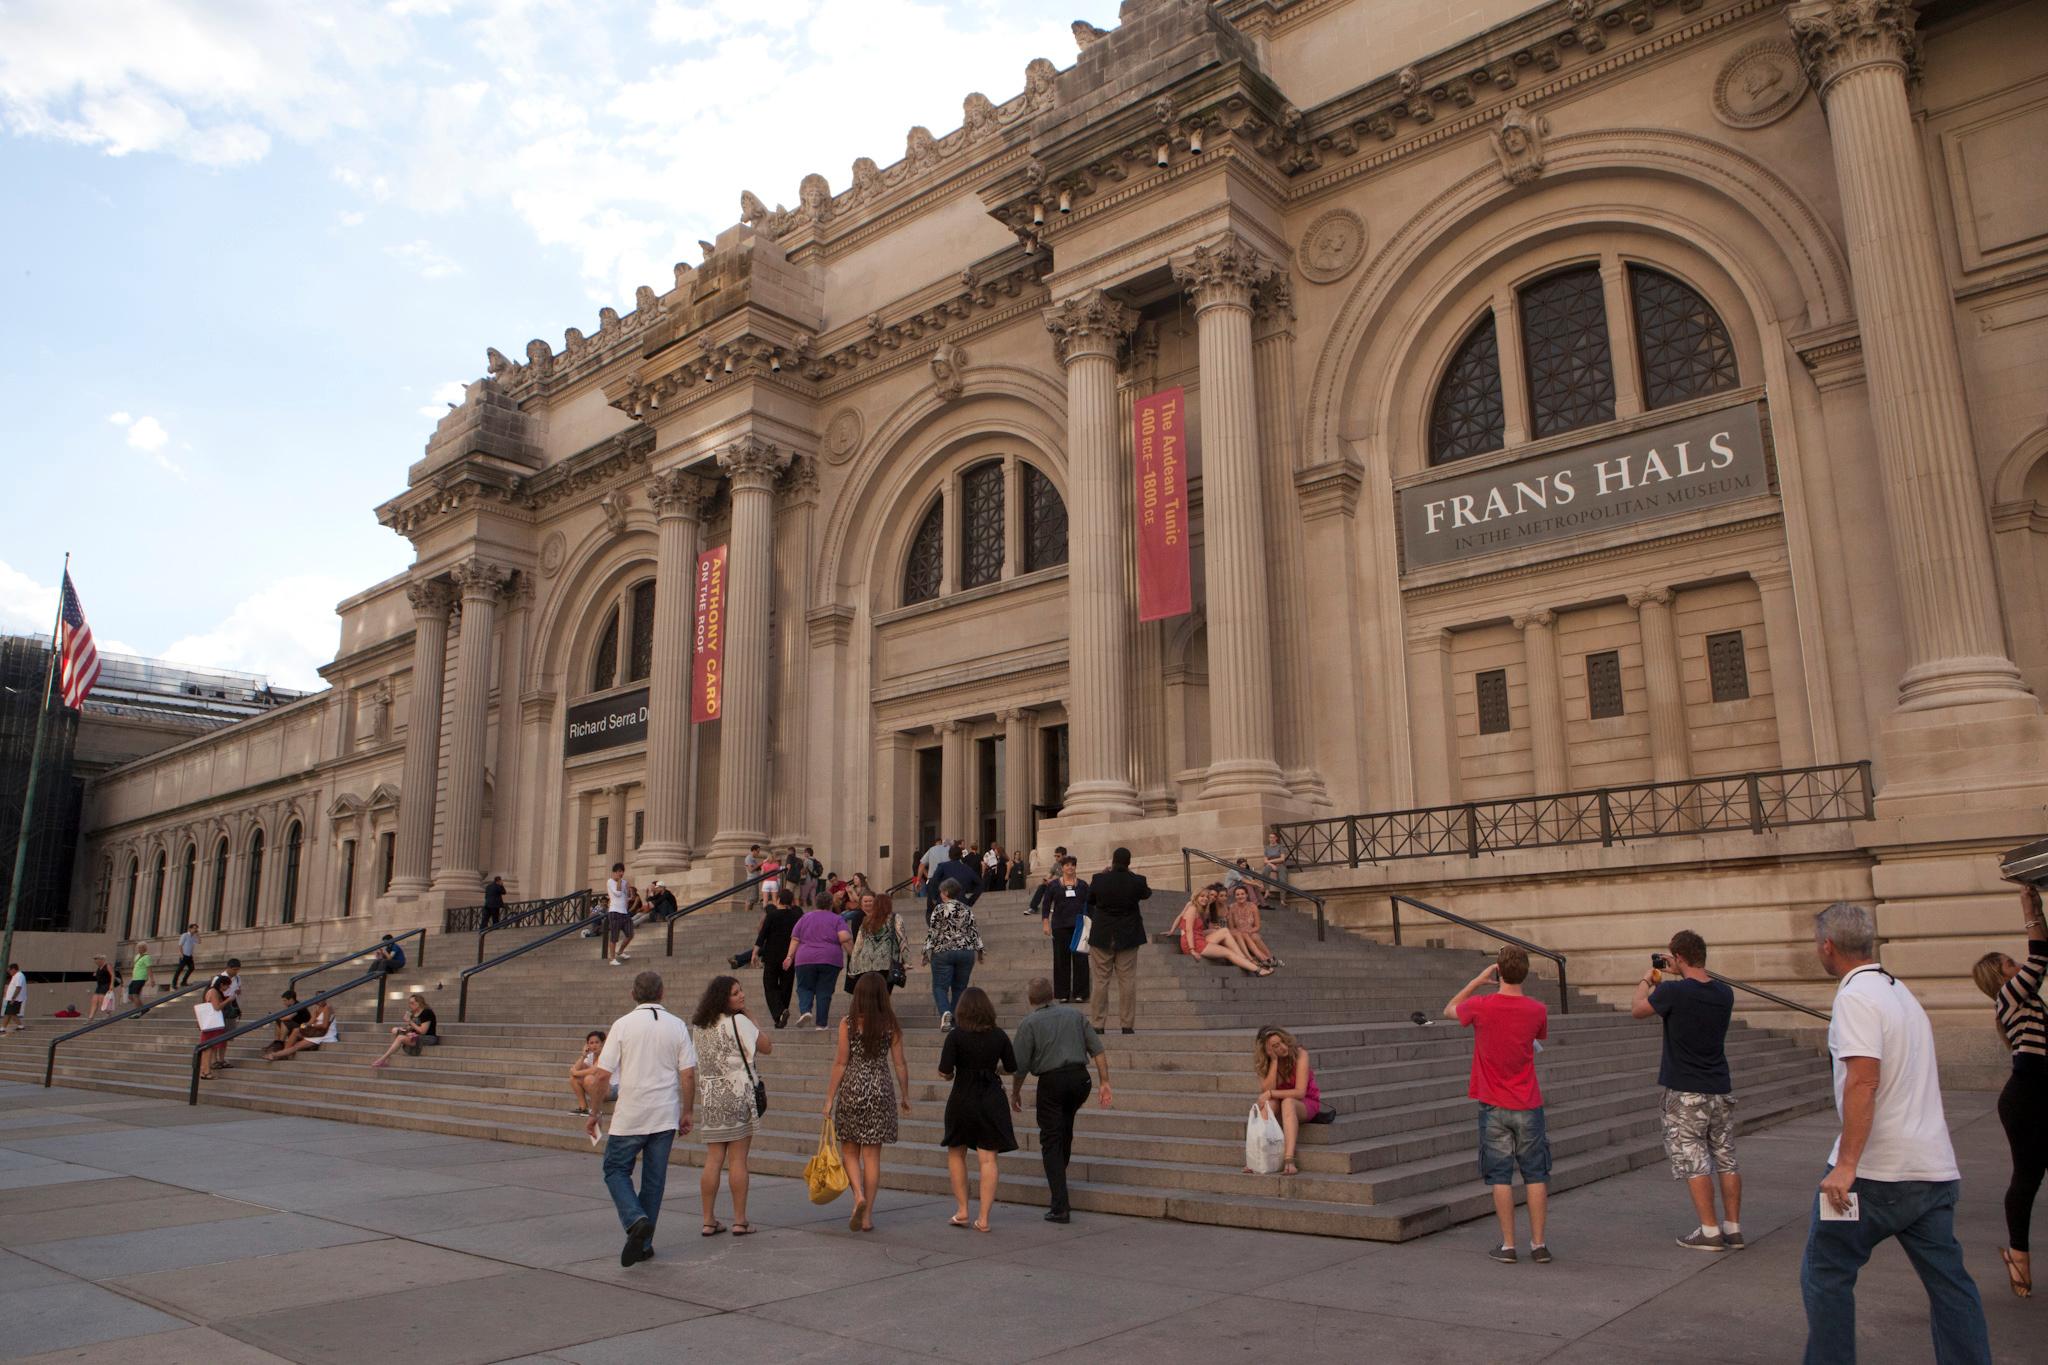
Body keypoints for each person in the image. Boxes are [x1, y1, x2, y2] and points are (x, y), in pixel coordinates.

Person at [1801, 902, 1991, 1362]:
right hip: (1933, 1169)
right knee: (1950, 1285)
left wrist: (1846, 1166)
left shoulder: (1855, 998)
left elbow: (1864, 1079)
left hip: (1875, 1174)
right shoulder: (1899, 992)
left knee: (1825, 1273)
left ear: (1828, 946)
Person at [1630, 930, 1742, 1252]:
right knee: (1726, 1158)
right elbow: (1697, 990)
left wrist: (1648, 980)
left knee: (1694, 1160)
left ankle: (1709, 1230)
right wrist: (1677, 971)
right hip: (1719, 1087)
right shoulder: (1725, 993)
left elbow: (1638, 1009)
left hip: (1685, 1091)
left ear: (1678, 958)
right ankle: (1733, 1228)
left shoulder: (1674, 994)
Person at [1446, 945, 1552, 1265]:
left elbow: (1450, 1009)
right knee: (1535, 1174)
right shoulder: (1537, 1010)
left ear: (1499, 972)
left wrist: (1477, 982)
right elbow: (1538, 1039)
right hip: (1528, 1101)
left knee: (1501, 1177)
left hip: (1492, 1103)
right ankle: (1538, 1244)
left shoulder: (1481, 1006)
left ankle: (1508, 1245)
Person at [587, 971, 697, 1267]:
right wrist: (687, 1110)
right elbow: (688, 1073)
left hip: (632, 1112)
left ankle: (635, 1219)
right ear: (662, 993)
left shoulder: (622, 1025)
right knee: (654, 1180)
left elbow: (601, 1075)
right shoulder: (676, 1025)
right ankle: (644, 1242)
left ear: (633, 994)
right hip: (664, 1113)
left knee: (614, 1169)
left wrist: (594, 1112)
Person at [1973, 881, 2047, 1298]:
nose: (2018, 967)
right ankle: (2018, 1256)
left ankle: (2019, 1258)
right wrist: (2027, 906)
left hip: (2038, 1094)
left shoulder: (2027, 1000)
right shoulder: (2009, 996)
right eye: (2010, 963)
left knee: (2030, 1177)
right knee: (2027, 1178)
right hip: (2027, 1099)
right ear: (2000, 975)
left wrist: (2037, 906)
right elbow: (2041, 958)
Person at [1009, 977, 1111, 1223]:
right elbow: (1097, 1049)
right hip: (1079, 1080)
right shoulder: (1075, 1016)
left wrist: (1015, 1092)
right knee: (1064, 1128)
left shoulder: (1029, 1023)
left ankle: (1060, 1205)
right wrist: (1105, 1081)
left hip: (1052, 1082)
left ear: (1031, 999)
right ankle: (1059, 1176)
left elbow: (1020, 1066)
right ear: (1053, 994)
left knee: (1050, 1139)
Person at [826, 973, 912, 1233]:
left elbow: (841, 1062)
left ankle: (858, 1196)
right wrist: (905, 1095)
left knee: (850, 1151)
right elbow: (900, 1063)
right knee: (872, 1156)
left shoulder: (848, 1024)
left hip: (853, 1086)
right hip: (881, 1088)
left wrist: (829, 1098)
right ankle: (867, 1217)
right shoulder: (890, 1024)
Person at [688, 974, 770, 1238]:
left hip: (711, 1095)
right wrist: (751, 1019)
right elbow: (767, 1046)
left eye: (741, 991)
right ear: (724, 998)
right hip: (738, 1094)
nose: (742, 995)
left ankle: (708, 1220)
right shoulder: (739, 1021)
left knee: (713, 1159)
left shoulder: (700, 1026)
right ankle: (739, 1220)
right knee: (738, 1160)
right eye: (736, 993)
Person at [939, 986, 1016, 1231]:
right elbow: (1012, 1066)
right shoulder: (999, 1035)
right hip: (991, 1096)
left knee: (956, 1152)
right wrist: (994, 1070)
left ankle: (962, 1210)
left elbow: (944, 1071)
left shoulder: (955, 1036)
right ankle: (983, 1218)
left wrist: (952, 1073)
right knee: (987, 1158)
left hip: (962, 1096)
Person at [1087, 847, 1151, 1035]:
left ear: (1112, 861)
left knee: (1100, 981)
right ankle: (1127, 1024)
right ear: (1129, 862)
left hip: (1102, 935)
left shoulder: (1099, 879)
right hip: (1128, 935)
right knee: (1127, 981)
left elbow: (1090, 899)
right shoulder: (1137, 881)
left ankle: (1098, 1024)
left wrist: (1104, 874)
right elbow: (1146, 893)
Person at [1250, 1025, 1319, 1177]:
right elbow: (1266, 1090)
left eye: (1281, 1042)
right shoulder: (1264, 1063)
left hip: (1306, 1103)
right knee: (1269, 1104)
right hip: (1282, 1105)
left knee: (1287, 1101)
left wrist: (1270, 1093)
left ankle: (1289, 1160)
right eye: (1275, 1046)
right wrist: (1274, 1061)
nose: (1282, 1047)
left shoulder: (1300, 1054)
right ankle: (1257, 1158)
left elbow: (1300, 1092)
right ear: (1267, 1051)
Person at [923, 878, 985, 1031]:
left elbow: (933, 932)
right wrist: (980, 950)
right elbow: (973, 931)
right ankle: (955, 1019)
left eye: (941, 891)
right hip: (965, 952)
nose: (940, 894)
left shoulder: (939, 909)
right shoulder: (966, 909)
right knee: (960, 988)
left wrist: (926, 952)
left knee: (939, 987)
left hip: (943, 951)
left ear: (946, 892)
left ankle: (945, 1012)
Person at [785, 892, 852, 1029]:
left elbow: (795, 938)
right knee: (824, 991)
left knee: (804, 987)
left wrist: (789, 957)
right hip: (830, 959)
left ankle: (805, 1011)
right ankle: (821, 1024)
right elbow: (844, 937)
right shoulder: (837, 919)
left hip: (805, 958)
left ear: (816, 903)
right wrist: (854, 955)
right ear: (830, 904)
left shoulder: (805, 918)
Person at [1172, 891, 1271, 976]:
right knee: (1228, 952)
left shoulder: (1199, 909)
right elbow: (1188, 930)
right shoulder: (1192, 908)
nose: (1205, 898)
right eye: (1202, 896)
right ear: (1196, 896)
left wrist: (1171, 931)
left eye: (1206, 896)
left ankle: (1245, 960)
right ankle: (1257, 969)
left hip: (1197, 937)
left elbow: (1194, 929)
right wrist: (1192, 950)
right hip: (1193, 943)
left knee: (1223, 931)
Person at [1037, 857, 1092, 1003]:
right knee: (1061, 960)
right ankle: (1063, 993)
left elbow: (1090, 903)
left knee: (1081, 960)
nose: (1070, 868)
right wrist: (1045, 923)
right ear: (1062, 867)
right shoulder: (1054, 885)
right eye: (1067, 865)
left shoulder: (1082, 885)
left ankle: (1081, 993)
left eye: (1073, 865)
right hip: (1060, 926)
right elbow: (1046, 904)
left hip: (1079, 927)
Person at [755, 886, 803, 1028]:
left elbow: (762, 935)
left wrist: (754, 952)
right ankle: (782, 1013)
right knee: (786, 985)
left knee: (769, 985)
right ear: (791, 901)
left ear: (779, 900)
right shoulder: (796, 916)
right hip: (790, 955)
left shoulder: (772, 915)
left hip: (772, 956)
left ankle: (780, 1012)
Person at [845, 892, 906, 995]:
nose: (868, 903)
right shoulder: (859, 916)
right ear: (861, 902)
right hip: (865, 960)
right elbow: (857, 941)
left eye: (870, 901)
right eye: (865, 901)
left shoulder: (880, 918)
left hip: (878, 961)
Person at [370, 994, 439, 1069]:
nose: (410, 1005)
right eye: (409, 1003)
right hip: (415, 1036)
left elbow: (423, 1031)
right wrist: (405, 1029)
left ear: (419, 1003)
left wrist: (410, 1021)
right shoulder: (413, 1013)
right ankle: (390, 1053)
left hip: (428, 1038)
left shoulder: (427, 1012)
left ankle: (383, 1059)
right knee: (395, 1030)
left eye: (412, 1003)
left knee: (400, 1038)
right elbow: (411, 1028)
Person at [1223, 884, 1280, 968]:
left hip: (1251, 932)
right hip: (1238, 934)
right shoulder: (1231, 907)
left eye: (1242, 894)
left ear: (1247, 895)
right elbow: (1231, 928)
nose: (1240, 896)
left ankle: (1269, 957)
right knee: (1250, 936)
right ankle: (1266, 959)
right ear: (1235, 896)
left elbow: (1257, 926)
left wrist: (1249, 931)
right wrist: (1241, 932)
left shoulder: (1253, 906)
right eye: (1237, 894)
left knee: (1255, 936)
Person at [265, 998, 337, 1060]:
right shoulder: (317, 1008)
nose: (319, 1001)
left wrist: (311, 1025)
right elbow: (310, 1022)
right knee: (296, 1030)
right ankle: (283, 1053)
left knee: (297, 1046)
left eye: (322, 999)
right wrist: (303, 1026)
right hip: (316, 1030)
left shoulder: (328, 1008)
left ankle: (275, 1055)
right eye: (318, 999)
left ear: (325, 999)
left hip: (324, 1034)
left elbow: (324, 1026)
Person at [925, 844, 983, 917]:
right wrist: (971, 900)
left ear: (949, 855)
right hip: (961, 903)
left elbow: (933, 882)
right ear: (961, 855)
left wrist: (935, 897)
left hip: (944, 903)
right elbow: (980, 884)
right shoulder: (967, 869)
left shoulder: (943, 867)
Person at [570, 1030, 615, 1121]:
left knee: (588, 1079)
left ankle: (596, 1110)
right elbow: (576, 1068)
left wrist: (575, 1072)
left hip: (613, 1089)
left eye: (597, 1042)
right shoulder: (590, 1056)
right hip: (600, 1088)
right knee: (574, 1079)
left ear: (602, 1043)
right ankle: (584, 1108)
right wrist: (583, 1055)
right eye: (591, 1043)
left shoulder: (606, 1055)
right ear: (587, 1045)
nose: (594, 1045)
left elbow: (594, 1070)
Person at [195, 973, 231, 1078]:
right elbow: (217, 1007)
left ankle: (204, 1071)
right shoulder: (214, 991)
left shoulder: (210, 991)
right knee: (208, 1049)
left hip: (210, 1023)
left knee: (208, 1048)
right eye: (227, 985)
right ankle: (206, 1071)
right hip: (211, 1024)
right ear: (221, 984)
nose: (227, 988)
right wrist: (229, 1000)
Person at [604, 863, 636, 966]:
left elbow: (628, 896)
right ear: (614, 872)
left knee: (630, 934)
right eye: (619, 871)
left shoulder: (624, 882)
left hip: (624, 912)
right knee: (614, 936)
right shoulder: (610, 882)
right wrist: (619, 881)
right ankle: (612, 958)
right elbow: (617, 893)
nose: (621, 873)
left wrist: (630, 891)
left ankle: (621, 951)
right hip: (614, 911)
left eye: (622, 871)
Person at [265, 990, 313, 1057]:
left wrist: (275, 1018)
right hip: (296, 1027)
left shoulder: (298, 1006)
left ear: (291, 999)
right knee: (279, 1021)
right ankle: (277, 1042)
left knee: (285, 1022)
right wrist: (276, 1019)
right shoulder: (291, 1006)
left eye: (285, 1000)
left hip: (304, 1029)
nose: (283, 1003)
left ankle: (281, 1043)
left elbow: (288, 1018)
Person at [173, 923, 199, 989]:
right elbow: (180, 945)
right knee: (179, 969)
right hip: (184, 955)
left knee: (191, 968)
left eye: (196, 928)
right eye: (194, 928)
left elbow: (199, 942)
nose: (195, 930)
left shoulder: (193, 937)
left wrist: (197, 935)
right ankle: (174, 984)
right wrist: (181, 954)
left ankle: (183, 982)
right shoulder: (185, 935)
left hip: (189, 956)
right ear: (190, 929)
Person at [2, 962, 25, 1035]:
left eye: (9, 971)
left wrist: (13, 998)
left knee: (11, 1013)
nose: (9, 973)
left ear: (14, 969)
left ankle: (20, 1026)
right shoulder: (16, 976)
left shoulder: (19, 976)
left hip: (15, 999)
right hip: (13, 999)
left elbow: (18, 988)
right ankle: (3, 1028)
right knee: (8, 1013)